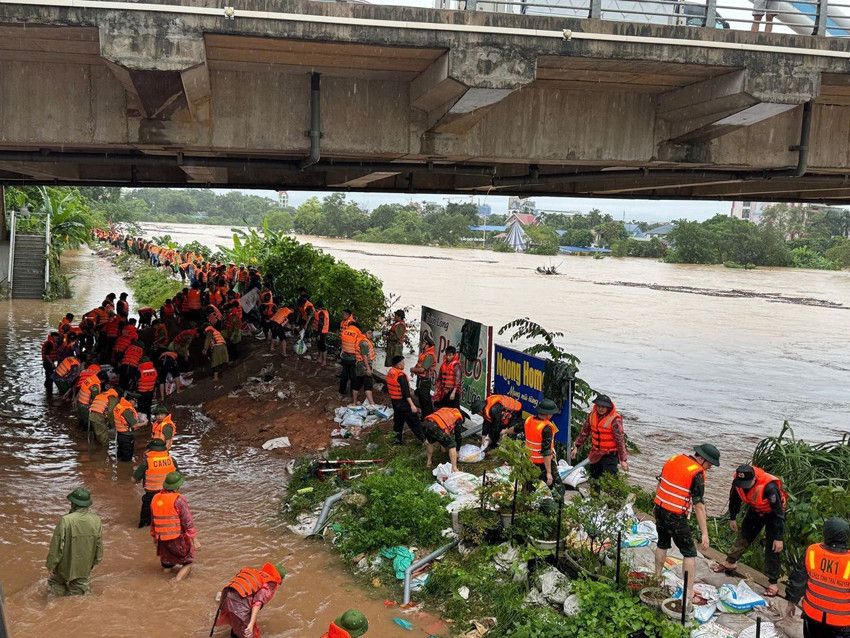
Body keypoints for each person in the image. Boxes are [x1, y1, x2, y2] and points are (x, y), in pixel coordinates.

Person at [653, 443, 720, 614]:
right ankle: (688, 595)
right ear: (702, 459)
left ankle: (656, 578)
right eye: (710, 463)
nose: (710, 467)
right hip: (675, 516)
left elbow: (660, 484)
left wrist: (659, 504)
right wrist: (705, 534)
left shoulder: (674, 459)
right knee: (689, 553)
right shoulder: (696, 473)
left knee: (662, 543)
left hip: (659, 508)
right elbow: (699, 506)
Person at [711, 464, 787, 597]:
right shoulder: (738, 483)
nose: (744, 486)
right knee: (744, 536)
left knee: (773, 546)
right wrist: (733, 517)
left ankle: (773, 582)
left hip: (773, 514)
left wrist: (778, 537)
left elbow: (778, 513)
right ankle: (730, 562)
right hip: (755, 510)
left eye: (747, 484)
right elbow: (734, 499)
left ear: (754, 479)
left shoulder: (769, 487)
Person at [785, 517, 850, 638]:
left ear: (826, 533)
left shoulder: (812, 552)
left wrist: (791, 602)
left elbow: (799, 579)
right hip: (841, 624)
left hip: (812, 617)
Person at [46, 488, 103, 596]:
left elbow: (57, 546)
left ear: (73, 504)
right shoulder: (96, 520)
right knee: (79, 592)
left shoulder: (66, 520)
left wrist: (51, 564)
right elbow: (99, 545)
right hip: (84, 566)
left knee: (56, 585)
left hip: (64, 565)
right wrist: (95, 560)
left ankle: (56, 604)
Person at [215, 562, 286, 638]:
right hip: (238, 604)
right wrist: (251, 624)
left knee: (237, 626)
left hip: (226, 596)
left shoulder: (259, 574)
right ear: (280, 579)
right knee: (250, 633)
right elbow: (257, 603)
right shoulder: (269, 585)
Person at [150, 471, 197, 581]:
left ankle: (160, 582)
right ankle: (175, 583)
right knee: (188, 562)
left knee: (167, 564)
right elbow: (187, 521)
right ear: (177, 487)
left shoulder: (155, 498)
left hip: (162, 539)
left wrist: (154, 537)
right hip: (177, 538)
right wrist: (195, 540)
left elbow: (153, 520)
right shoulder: (179, 499)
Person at [570, 393, 629, 478]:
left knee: (610, 479)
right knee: (594, 477)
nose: (600, 409)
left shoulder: (615, 419)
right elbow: (584, 432)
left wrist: (623, 460)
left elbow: (620, 440)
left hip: (610, 455)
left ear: (608, 407)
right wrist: (576, 446)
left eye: (603, 407)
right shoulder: (591, 416)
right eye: (599, 406)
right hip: (595, 453)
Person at [133, 438, 177, 528]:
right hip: (169, 493)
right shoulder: (172, 460)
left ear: (151, 449)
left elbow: (134, 479)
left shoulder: (147, 462)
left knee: (146, 519)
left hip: (151, 494)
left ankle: (143, 528)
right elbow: (178, 476)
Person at [385, 355, 424, 445]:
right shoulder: (401, 376)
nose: (404, 364)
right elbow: (406, 393)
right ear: (398, 365)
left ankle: (397, 440)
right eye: (403, 363)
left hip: (395, 402)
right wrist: (412, 405)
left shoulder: (391, 372)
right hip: (402, 402)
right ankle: (424, 440)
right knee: (414, 421)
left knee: (398, 421)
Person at [523, 399, 560, 488]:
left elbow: (516, 429)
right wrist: (549, 473)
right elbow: (546, 451)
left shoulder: (529, 420)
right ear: (548, 414)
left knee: (530, 487)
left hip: (529, 461)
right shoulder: (546, 428)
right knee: (556, 488)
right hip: (543, 463)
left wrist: (504, 431)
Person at [423, 407, 464, 472]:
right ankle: (454, 468)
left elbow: (444, 423)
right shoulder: (458, 417)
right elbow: (458, 436)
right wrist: (457, 450)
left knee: (430, 442)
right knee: (452, 445)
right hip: (435, 427)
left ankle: (429, 462)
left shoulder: (447, 410)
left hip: (427, 423)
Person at [410, 337, 436, 418]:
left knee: (425, 399)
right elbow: (419, 364)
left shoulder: (429, 356)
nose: (422, 344)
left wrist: (412, 369)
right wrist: (414, 371)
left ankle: (427, 416)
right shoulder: (424, 353)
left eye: (423, 343)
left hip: (425, 381)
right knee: (422, 398)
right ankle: (425, 415)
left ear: (427, 345)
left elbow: (422, 369)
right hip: (421, 380)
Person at [114, 393, 143, 462]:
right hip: (126, 435)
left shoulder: (119, 405)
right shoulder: (126, 410)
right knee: (127, 456)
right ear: (130, 400)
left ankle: (119, 466)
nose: (136, 403)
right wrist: (144, 423)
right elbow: (134, 425)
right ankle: (125, 467)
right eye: (135, 401)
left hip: (119, 433)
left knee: (120, 453)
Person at [352, 325, 376, 405]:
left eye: (371, 333)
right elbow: (364, 356)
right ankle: (372, 404)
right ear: (364, 333)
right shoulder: (364, 343)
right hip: (364, 365)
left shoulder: (362, 340)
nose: (371, 335)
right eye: (369, 333)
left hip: (360, 365)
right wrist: (368, 368)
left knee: (358, 383)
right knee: (368, 383)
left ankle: (354, 403)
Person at [339, 320, 360, 396]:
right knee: (353, 376)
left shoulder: (345, 331)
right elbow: (359, 346)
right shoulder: (358, 333)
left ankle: (342, 390)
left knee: (344, 373)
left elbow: (341, 341)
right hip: (353, 357)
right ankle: (352, 392)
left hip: (344, 355)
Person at [136, 356, 158, 421]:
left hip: (141, 391)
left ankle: (141, 420)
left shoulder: (140, 370)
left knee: (141, 406)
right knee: (148, 405)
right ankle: (148, 418)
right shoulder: (154, 369)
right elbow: (156, 379)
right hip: (150, 390)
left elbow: (136, 379)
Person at [313, 301, 330, 368]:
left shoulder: (322, 313)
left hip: (322, 332)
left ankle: (324, 361)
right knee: (319, 345)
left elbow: (321, 324)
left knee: (323, 346)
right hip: (322, 331)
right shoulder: (325, 311)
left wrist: (318, 334)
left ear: (319, 307)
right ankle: (319, 358)